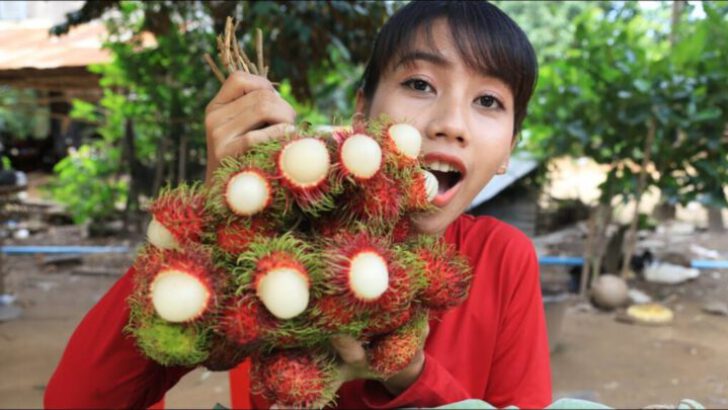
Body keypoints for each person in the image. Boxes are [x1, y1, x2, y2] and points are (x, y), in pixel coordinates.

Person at [44, 1, 551, 408]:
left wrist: (410, 375)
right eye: (420, 84)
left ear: (508, 149)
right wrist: (212, 217)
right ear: (361, 112)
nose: (451, 123)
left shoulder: (502, 257)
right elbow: (77, 400)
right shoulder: (274, 231)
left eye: (489, 101)